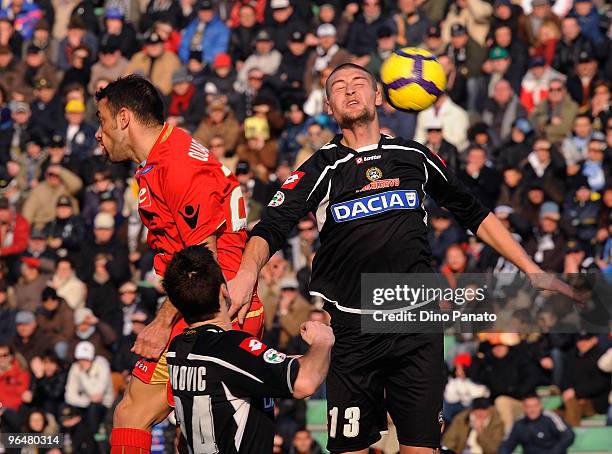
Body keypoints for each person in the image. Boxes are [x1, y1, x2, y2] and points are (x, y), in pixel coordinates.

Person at [228, 63, 581, 453]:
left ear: (379, 95)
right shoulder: (321, 168)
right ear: (328, 106)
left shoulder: (413, 156)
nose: (350, 91)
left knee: (420, 447)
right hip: (353, 329)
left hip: (416, 327)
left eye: (359, 83)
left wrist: (532, 270)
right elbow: (272, 225)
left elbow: (474, 212)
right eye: (339, 87)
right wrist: (247, 272)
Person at [94, 75, 265, 454]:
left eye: (102, 121)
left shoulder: (178, 165)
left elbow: (201, 260)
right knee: (163, 427)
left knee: (157, 424)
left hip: (218, 310)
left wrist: (160, 322)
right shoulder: (163, 156)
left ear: (124, 119)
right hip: (197, 304)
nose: (98, 132)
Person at [164, 244, 334, 453]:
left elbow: (245, 369)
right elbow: (304, 382)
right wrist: (323, 340)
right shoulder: (230, 347)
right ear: (224, 291)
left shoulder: (178, 348)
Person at [498, 394, 575, 454]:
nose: (532, 410)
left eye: (534, 406)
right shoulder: (519, 423)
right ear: (524, 408)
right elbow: (507, 444)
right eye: (528, 407)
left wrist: (555, 452)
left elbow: (568, 435)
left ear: (540, 406)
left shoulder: (550, 418)